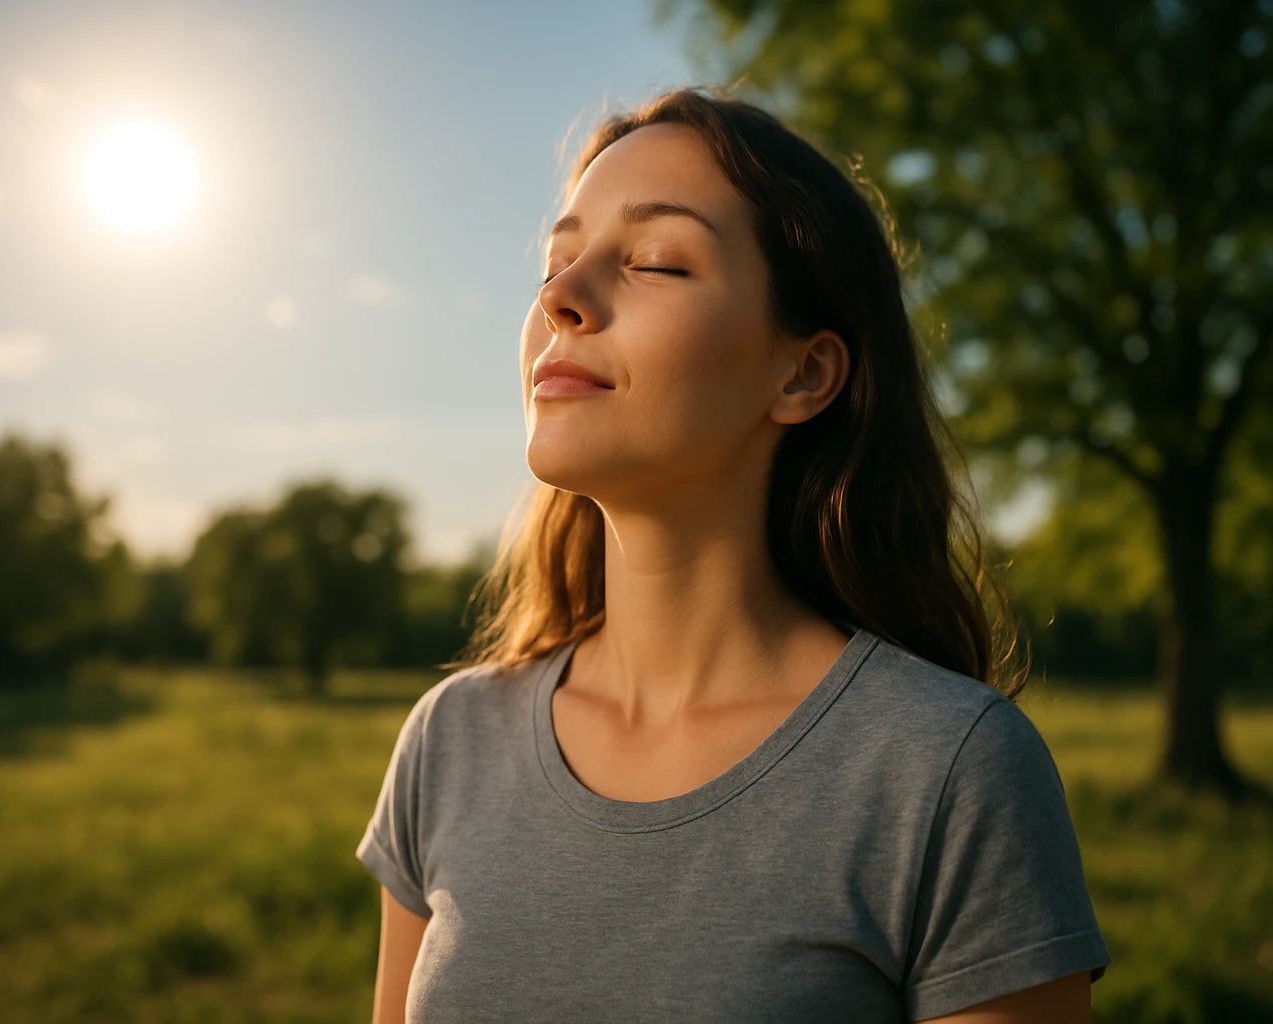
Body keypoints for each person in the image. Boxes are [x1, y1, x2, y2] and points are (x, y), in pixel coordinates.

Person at [357, 84, 1111, 1023]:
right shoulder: (450, 741)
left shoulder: (948, 773)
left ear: (803, 373)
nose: (559, 297)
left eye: (656, 262)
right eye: (557, 261)